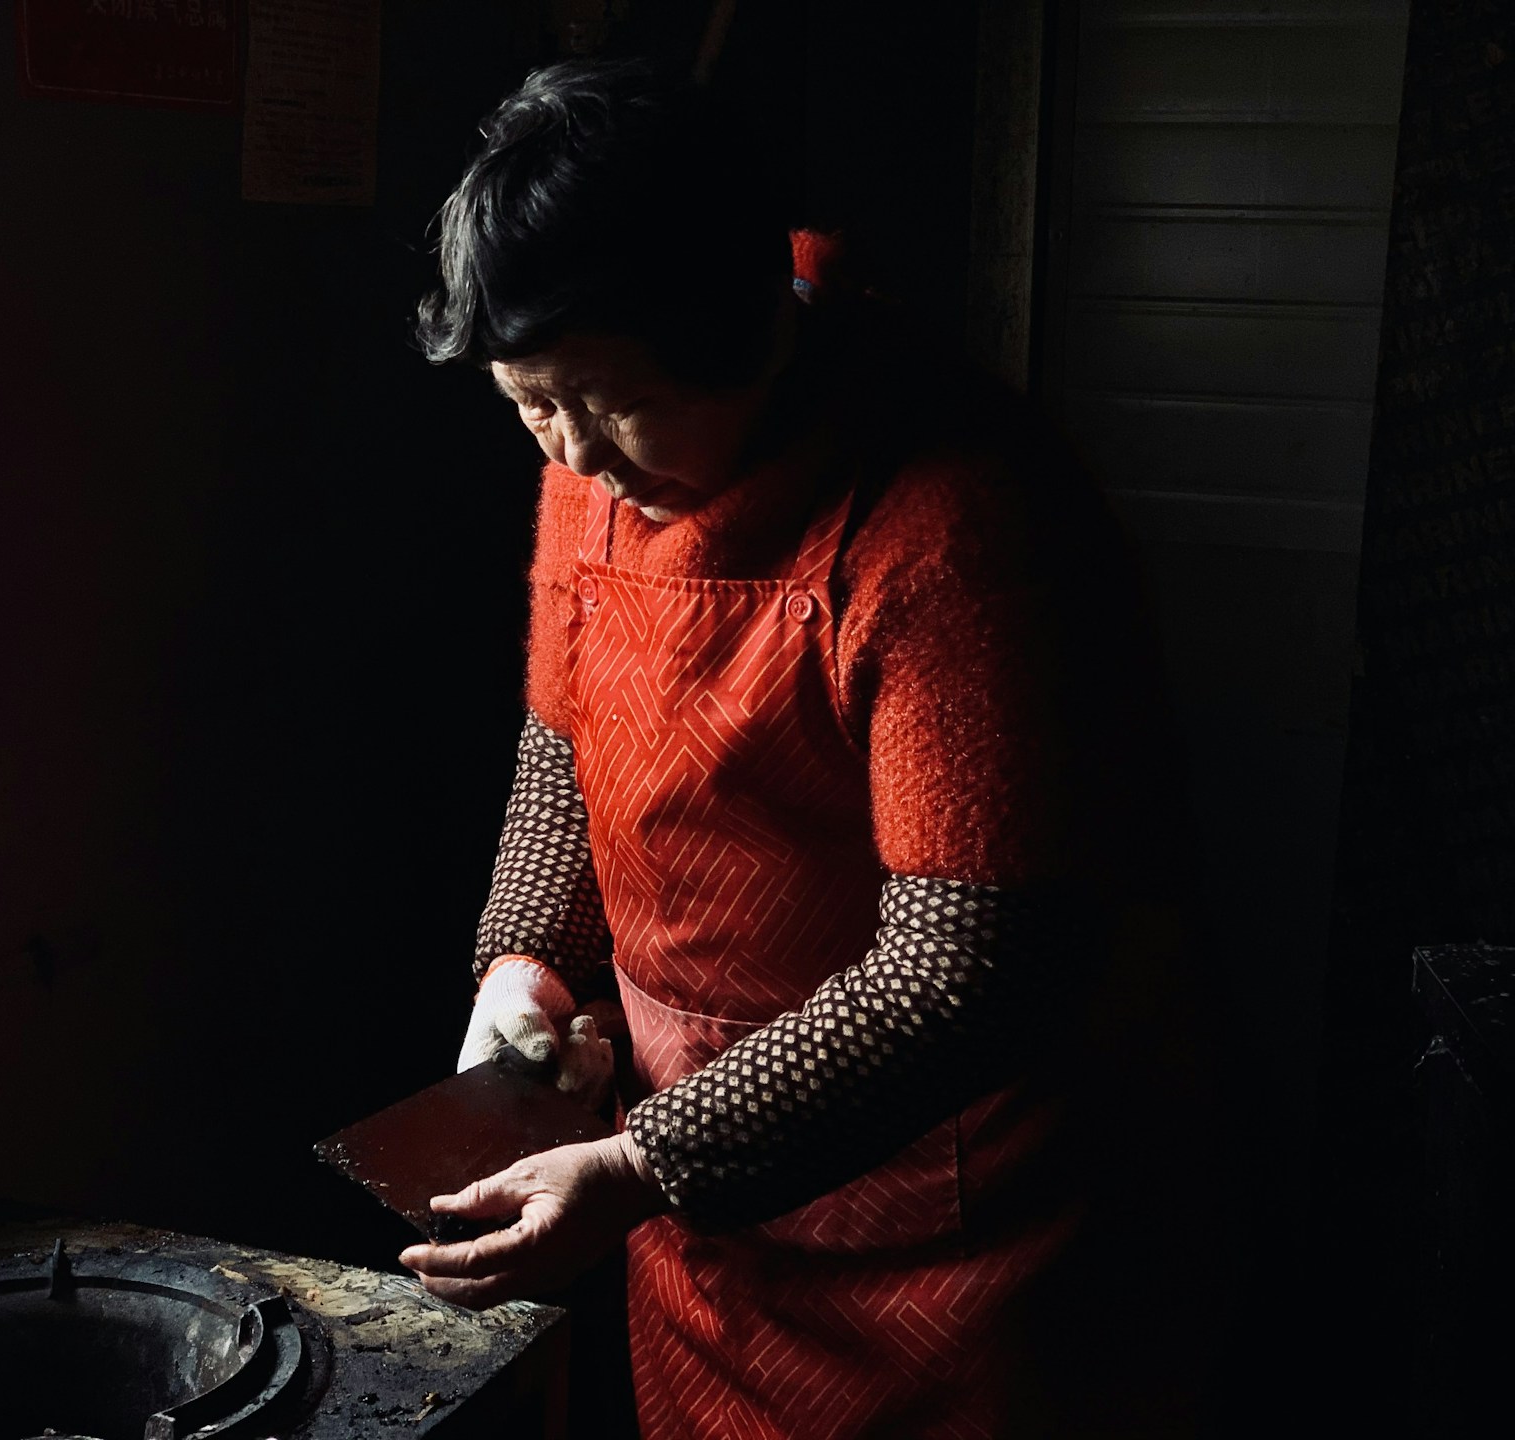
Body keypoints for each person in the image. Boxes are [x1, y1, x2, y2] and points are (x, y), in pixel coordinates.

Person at [399, 58, 1215, 1440]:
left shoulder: (955, 522)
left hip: (947, 1222)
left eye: (605, 397)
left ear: (733, 325)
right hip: (703, 1224)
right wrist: (527, 966)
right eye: (529, 402)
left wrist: (649, 1159)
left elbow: (968, 968)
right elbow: (562, 744)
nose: (575, 452)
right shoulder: (590, 469)